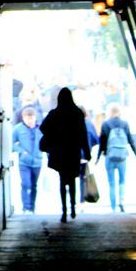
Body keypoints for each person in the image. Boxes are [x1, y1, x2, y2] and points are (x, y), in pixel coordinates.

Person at [39, 87, 89, 223]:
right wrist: (87, 151)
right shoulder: (77, 113)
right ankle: (73, 208)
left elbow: (42, 127)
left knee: (62, 180)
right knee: (72, 180)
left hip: (59, 151)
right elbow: (83, 133)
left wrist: (55, 134)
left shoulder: (54, 113)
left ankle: (64, 211)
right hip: (73, 151)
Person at [99, 103, 136, 212]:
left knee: (111, 183)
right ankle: (122, 201)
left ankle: (113, 208)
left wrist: (98, 157)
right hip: (122, 157)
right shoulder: (124, 124)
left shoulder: (105, 124)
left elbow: (102, 142)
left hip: (109, 156)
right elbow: (130, 140)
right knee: (122, 180)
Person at [12, 106, 44, 213]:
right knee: (25, 183)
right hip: (24, 162)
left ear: (35, 117)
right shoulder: (18, 129)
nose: (30, 121)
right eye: (27, 118)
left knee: (34, 185)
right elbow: (11, 144)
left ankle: (32, 207)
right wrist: (21, 151)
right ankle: (25, 207)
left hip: (37, 161)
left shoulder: (41, 129)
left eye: (31, 118)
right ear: (23, 118)